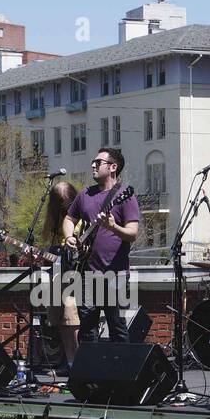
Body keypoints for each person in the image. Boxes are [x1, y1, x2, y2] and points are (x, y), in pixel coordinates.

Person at [63, 147, 141, 343]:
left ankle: (120, 371)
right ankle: (89, 372)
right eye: (93, 162)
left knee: (117, 327)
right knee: (87, 329)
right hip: (87, 272)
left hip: (116, 273)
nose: (93, 166)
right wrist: (69, 237)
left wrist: (113, 227)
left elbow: (132, 234)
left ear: (113, 167)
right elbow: (68, 219)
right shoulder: (85, 195)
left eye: (98, 163)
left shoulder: (125, 196)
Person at [40, 181, 81, 364]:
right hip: (58, 278)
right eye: (60, 202)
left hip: (76, 278)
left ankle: (77, 364)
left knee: (72, 322)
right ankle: (69, 363)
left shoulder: (81, 218)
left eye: (66, 202)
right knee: (63, 324)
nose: (64, 206)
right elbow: (54, 254)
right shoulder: (53, 222)